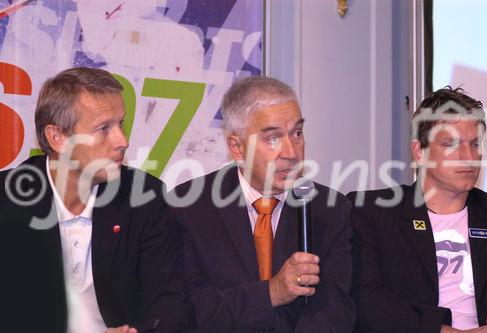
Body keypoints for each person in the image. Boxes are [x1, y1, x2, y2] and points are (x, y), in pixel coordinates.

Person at [0, 67, 186, 333]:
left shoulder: (144, 197)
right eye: (103, 128)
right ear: (57, 137)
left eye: (120, 123)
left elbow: (170, 301)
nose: (122, 140)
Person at [167, 76, 355, 332]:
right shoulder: (189, 207)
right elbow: (188, 311)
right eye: (273, 138)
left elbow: (336, 311)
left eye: (297, 133)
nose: (291, 152)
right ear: (237, 147)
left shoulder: (330, 209)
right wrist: (272, 292)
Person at [348, 87, 487, 333]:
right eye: (451, 144)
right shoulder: (373, 213)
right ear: (420, 152)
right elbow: (367, 302)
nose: (468, 156)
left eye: (474, 144)